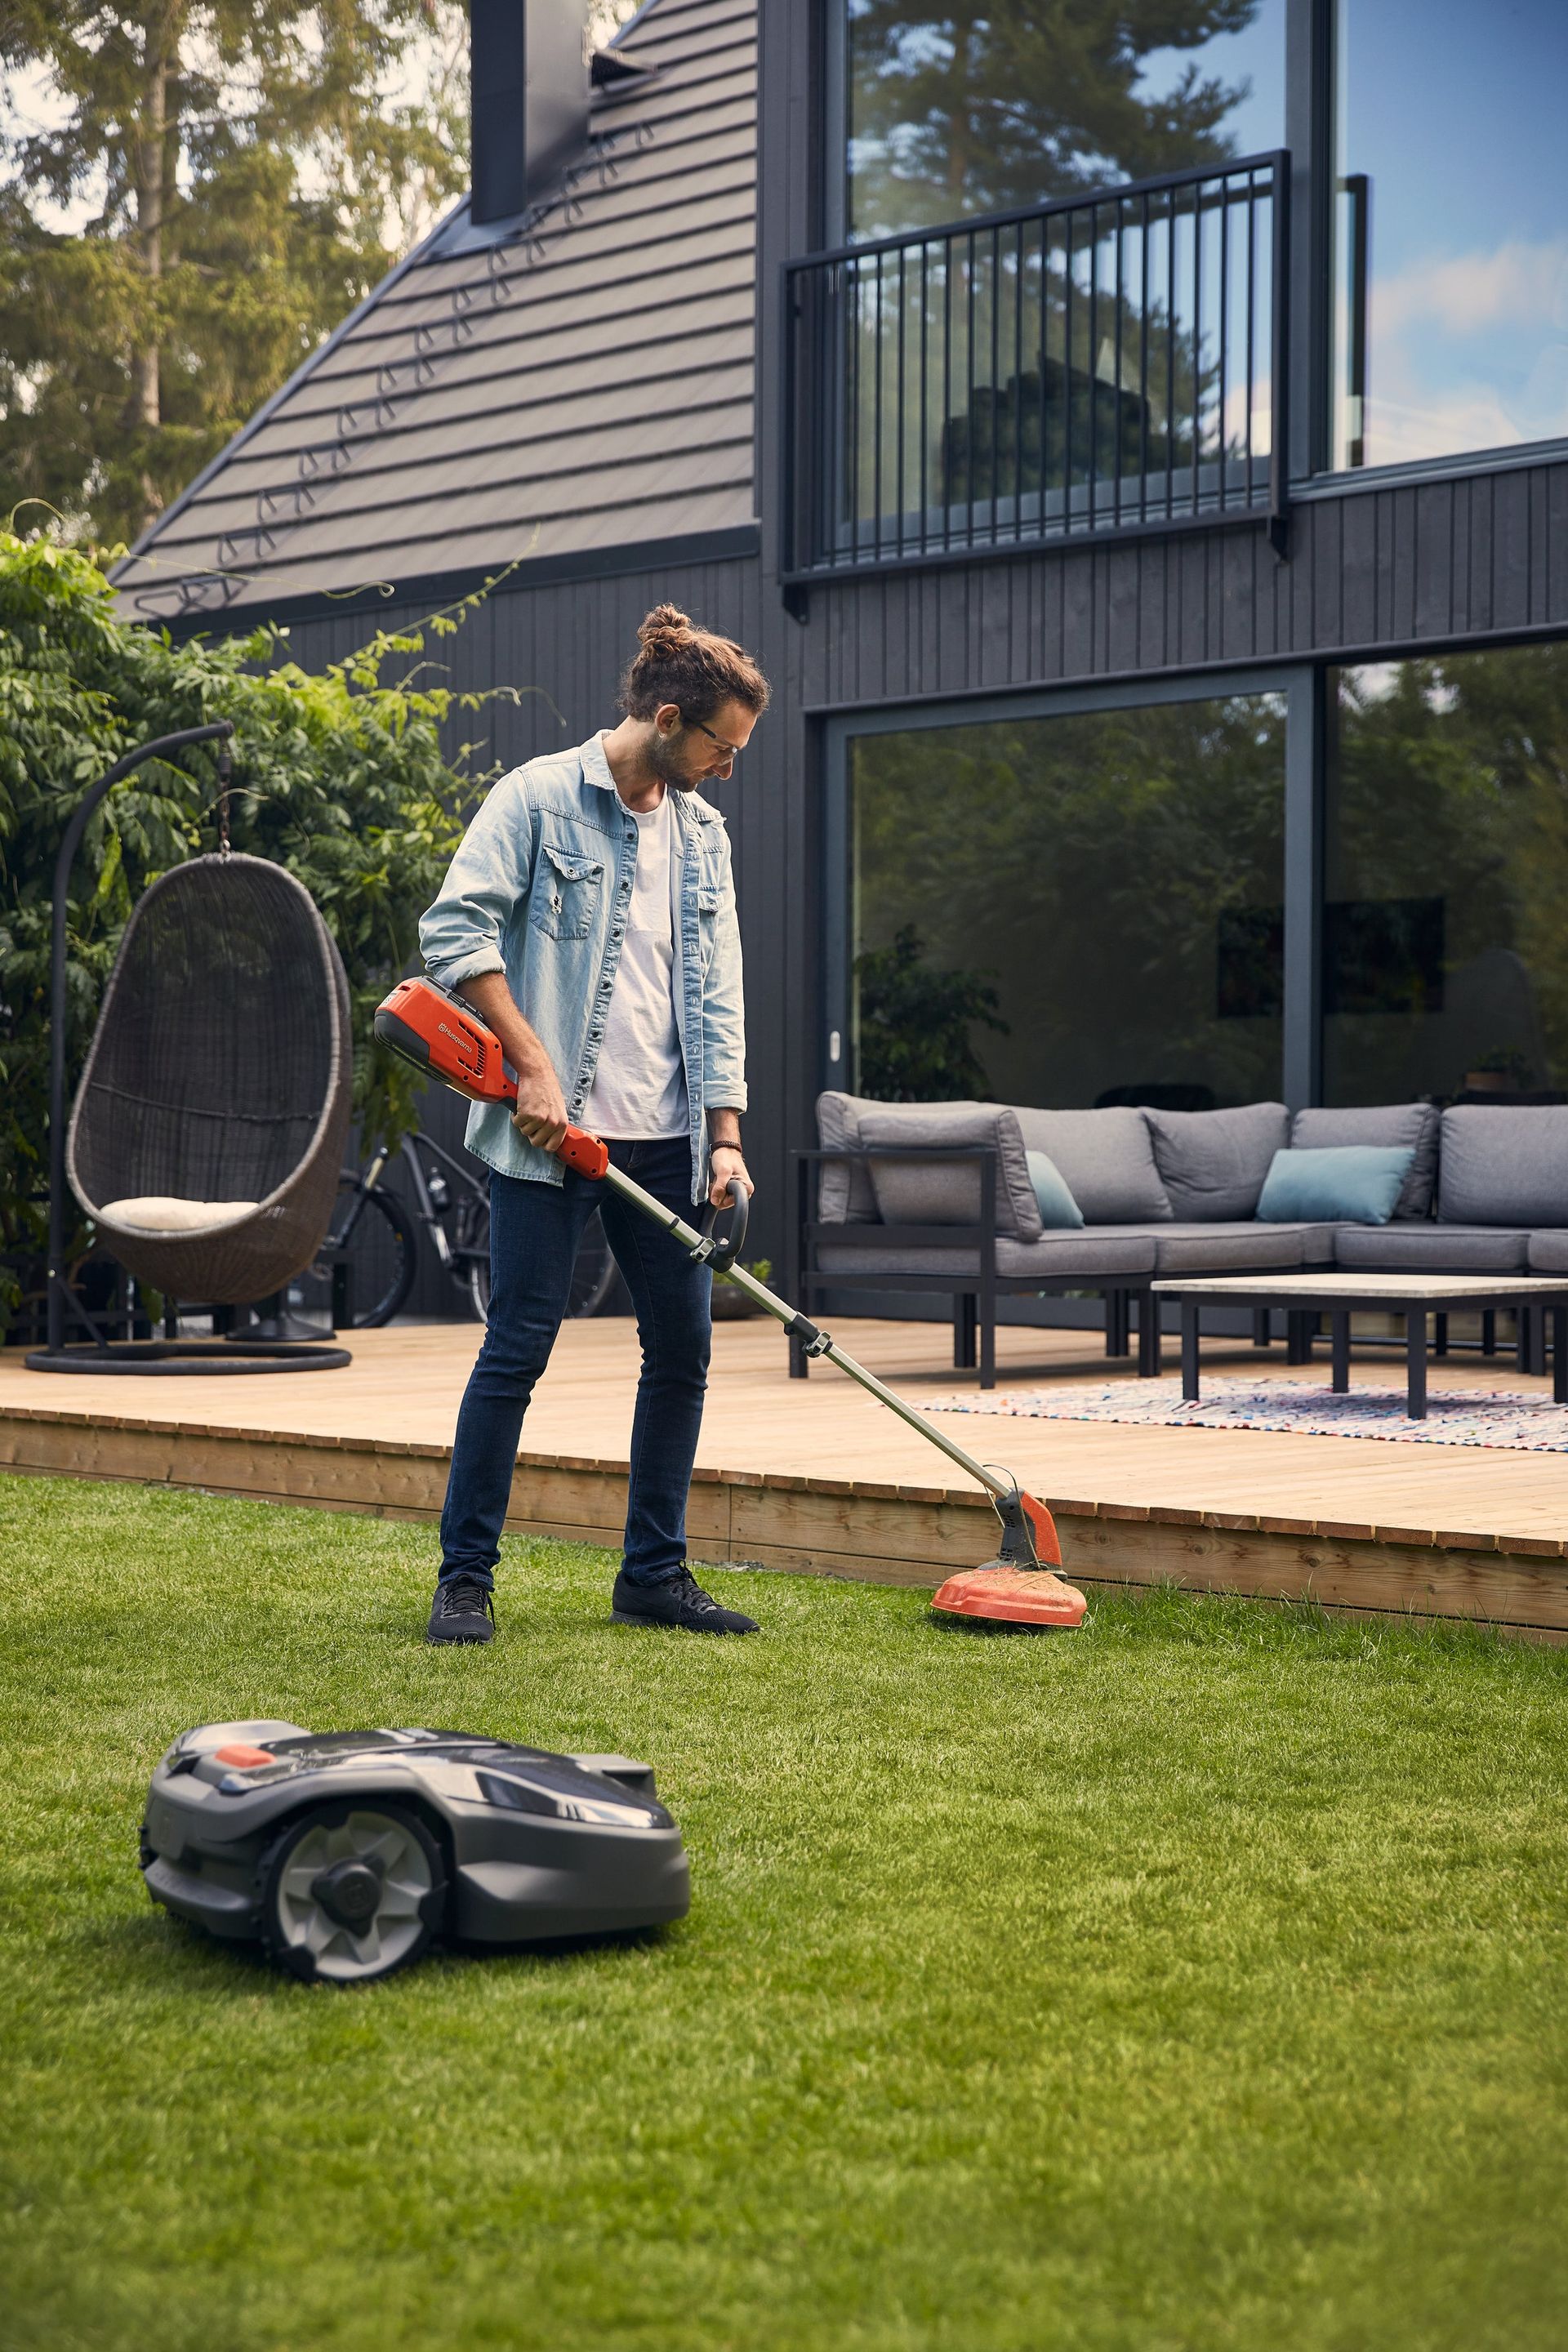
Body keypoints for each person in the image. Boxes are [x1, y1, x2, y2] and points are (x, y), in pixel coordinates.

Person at [416, 605, 769, 1644]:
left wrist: (728, 1137)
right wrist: (529, 1064)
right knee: (517, 1348)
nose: (729, 766)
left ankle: (652, 1575)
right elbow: (454, 928)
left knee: (684, 1352)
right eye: (722, 745)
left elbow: (715, 993)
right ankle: (465, 1579)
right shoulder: (535, 798)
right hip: (546, 1136)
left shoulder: (703, 834)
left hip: (663, 1143)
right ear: (668, 718)